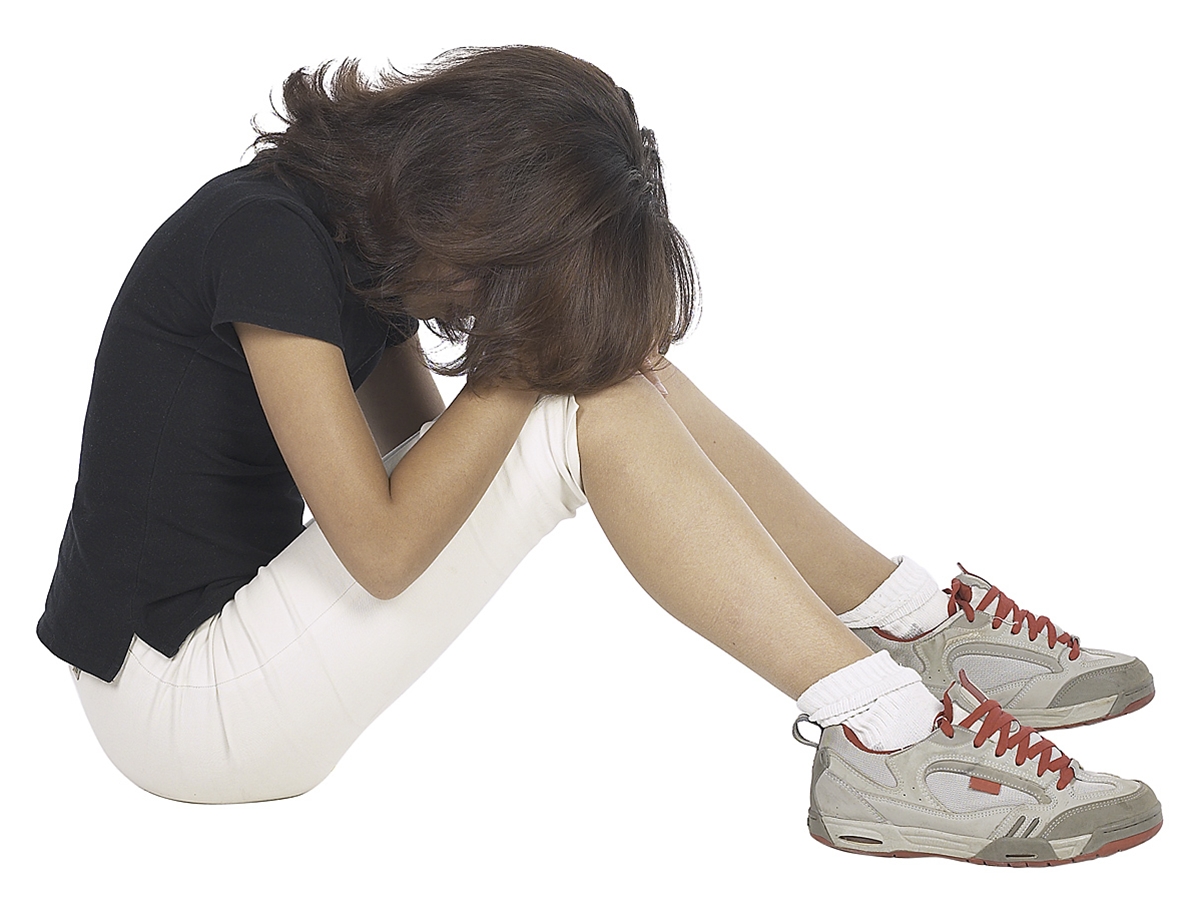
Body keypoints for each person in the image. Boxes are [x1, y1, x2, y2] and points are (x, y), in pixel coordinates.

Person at [39, 45, 1160, 865]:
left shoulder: (343, 235)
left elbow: (419, 453)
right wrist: (538, 355)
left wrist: (565, 350)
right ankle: (888, 736)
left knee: (615, 382)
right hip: (182, 705)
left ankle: (912, 625)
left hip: (233, 674)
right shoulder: (267, 240)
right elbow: (382, 547)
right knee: (588, 403)